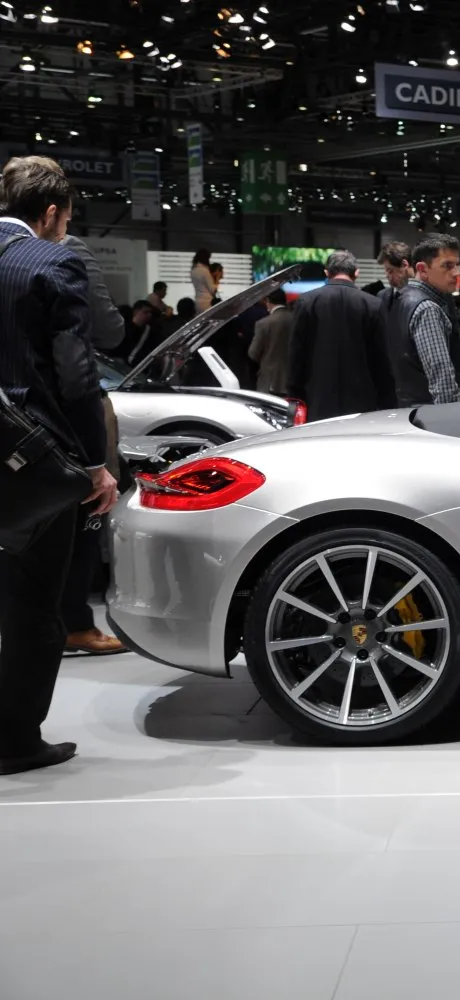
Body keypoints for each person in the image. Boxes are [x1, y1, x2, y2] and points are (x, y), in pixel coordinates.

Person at [0, 156, 119, 774]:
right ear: (50, 214)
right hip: (29, 463)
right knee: (33, 607)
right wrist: (95, 464)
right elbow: (76, 376)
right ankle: (16, 741)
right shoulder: (52, 261)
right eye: (67, 220)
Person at [287, 250, 396, 421]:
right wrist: (388, 402)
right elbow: (382, 358)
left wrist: (294, 394)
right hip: (362, 401)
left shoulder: (306, 302)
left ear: (327, 272)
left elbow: (297, 354)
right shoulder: (374, 304)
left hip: (317, 397)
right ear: (356, 272)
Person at [392, 234, 460, 406]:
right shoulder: (427, 309)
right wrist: (451, 415)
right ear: (423, 269)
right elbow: (442, 378)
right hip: (428, 412)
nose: (456, 273)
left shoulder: (401, 299)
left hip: (406, 409)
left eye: (457, 265)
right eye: (447, 266)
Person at [248, 289, 294, 395]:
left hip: (270, 380)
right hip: (294, 377)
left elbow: (253, 353)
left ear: (268, 301)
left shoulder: (263, 323)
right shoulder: (297, 319)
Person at [190, 248, 214, 314]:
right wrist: (216, 280)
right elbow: (212, 289)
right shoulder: (205, 271)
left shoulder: (193, 270)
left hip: (197, 301)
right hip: (207, 302)